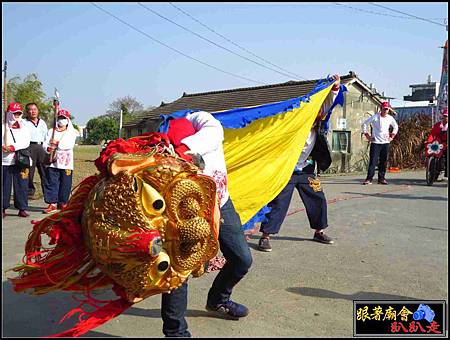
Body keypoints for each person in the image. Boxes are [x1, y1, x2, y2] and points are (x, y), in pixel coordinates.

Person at [160, 111, 253, 337]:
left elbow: (215, 133)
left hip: (221, 202)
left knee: (242, 259)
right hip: (186, 214)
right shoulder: (162, 149)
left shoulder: (202, 120)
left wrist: (183, 149)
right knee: (178, 273)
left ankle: (218, 300)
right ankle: (176, 332)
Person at [257, 75, 341, 252]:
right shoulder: (290, 125)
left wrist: (335, 88)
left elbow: (327, 104)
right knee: (278, 202)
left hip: (307, 169)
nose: (315, 116)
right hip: (286, 170)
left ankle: (319, 231)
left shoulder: (316, 124)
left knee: (318, 197)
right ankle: (265, 236)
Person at [42, 109, 78, 214]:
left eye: (63, 118)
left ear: (67, 120)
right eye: (60, 118)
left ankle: (63, 202)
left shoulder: (71, 132)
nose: (61, 120)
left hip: (66, 161)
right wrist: (48, 148)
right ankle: (52, 203)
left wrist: (56, 143)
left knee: (65, 182)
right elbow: (45, 143)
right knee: (52, 182)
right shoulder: (51, 131)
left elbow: (68, 145)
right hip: (53, 161)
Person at [2, 102, 32, 218]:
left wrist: (13, 147)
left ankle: (22, 208)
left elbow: (26, 141)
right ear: (9, 114)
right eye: (15, 113)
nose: (17, 116)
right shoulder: (3, 127)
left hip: (21, 161)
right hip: (5, 161)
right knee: (4, 186)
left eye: (19, 113)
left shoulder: (24, 127)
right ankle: (3, 208)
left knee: (22, 185)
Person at [361, 101, 399, 185]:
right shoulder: (375, 117)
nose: (385, 111)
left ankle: (381, 178)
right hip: (375, 142)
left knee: (383, 161)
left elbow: (395, 127)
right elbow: (364, 124)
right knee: (373, 161)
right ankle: (369, 179)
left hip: (385, 142)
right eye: (384, 109)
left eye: (387, 109)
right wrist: (367, 135)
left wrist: (392, 136)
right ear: (381, 109)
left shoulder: (390, 118)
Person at [23, 102, 48, 198]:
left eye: (35, 109)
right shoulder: (23, 122)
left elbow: (46, 136)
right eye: (30, 109)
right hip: (29, 147)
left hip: (41, 147)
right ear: (27, 111)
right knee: (29, 171)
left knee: (45, 171)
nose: (33, 111)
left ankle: (47, 193)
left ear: (38, 111)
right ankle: (29, 192)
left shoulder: (42, 123)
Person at [426, 108, 448, 178]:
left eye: (447, 116)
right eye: (444, 116)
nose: (445, 118)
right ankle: (433, 172)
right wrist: (428, 141)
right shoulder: (437, 125)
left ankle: (446, 171)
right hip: (438, 144)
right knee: (430, 152)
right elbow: (432, 134)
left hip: (446, 144)